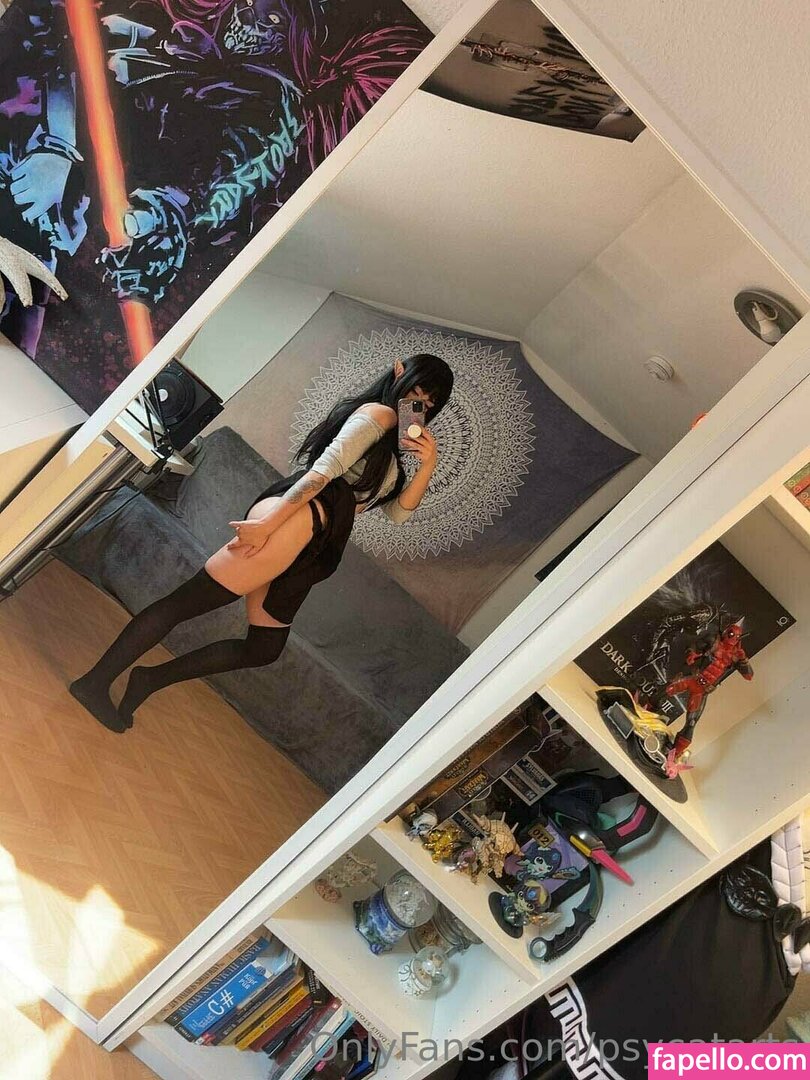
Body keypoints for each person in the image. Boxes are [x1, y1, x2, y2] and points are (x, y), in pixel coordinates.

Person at [70, 353, 453, 732]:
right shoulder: (379, 415)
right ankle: (94, 682)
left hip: (311, 541)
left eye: (429, 401)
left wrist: (428, 464)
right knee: (186, 603)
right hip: (294, 519)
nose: (419, 403)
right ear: (399, 372)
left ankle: (149, 679)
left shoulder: (391, 443)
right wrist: (268, 524)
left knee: (263, 647)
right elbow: (322, 472)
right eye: (416, 391)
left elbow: (397, 513)